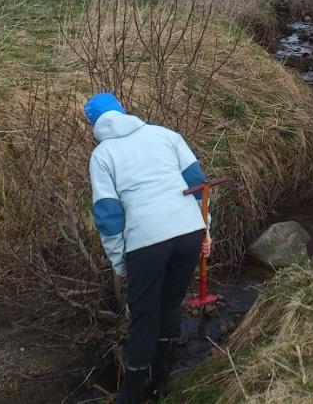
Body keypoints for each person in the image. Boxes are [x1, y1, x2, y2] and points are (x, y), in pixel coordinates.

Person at [84, 92, 212, 403]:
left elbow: (108, 214)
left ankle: (130, 394)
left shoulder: (102, 155)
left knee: (144, 315)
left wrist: (119, 262)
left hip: (146, 240)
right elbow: (198, 184)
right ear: (123, 110)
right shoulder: (165, 134)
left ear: (95, 124)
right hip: (187, 232)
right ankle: (161, 382)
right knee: (169, 304)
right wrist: (206, 230)